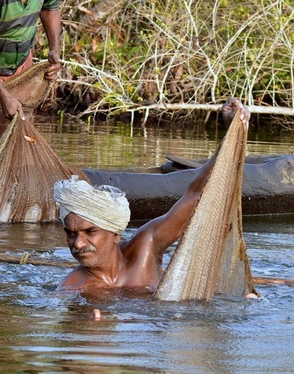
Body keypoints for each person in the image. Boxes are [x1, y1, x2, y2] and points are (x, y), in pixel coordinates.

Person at [53, 99, 251, 294]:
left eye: (90, 231)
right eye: (71, 233)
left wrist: (233, 133)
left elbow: (197, 194)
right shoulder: (72, 289)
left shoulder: (146, 246)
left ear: (116, 234)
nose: (78, 244)